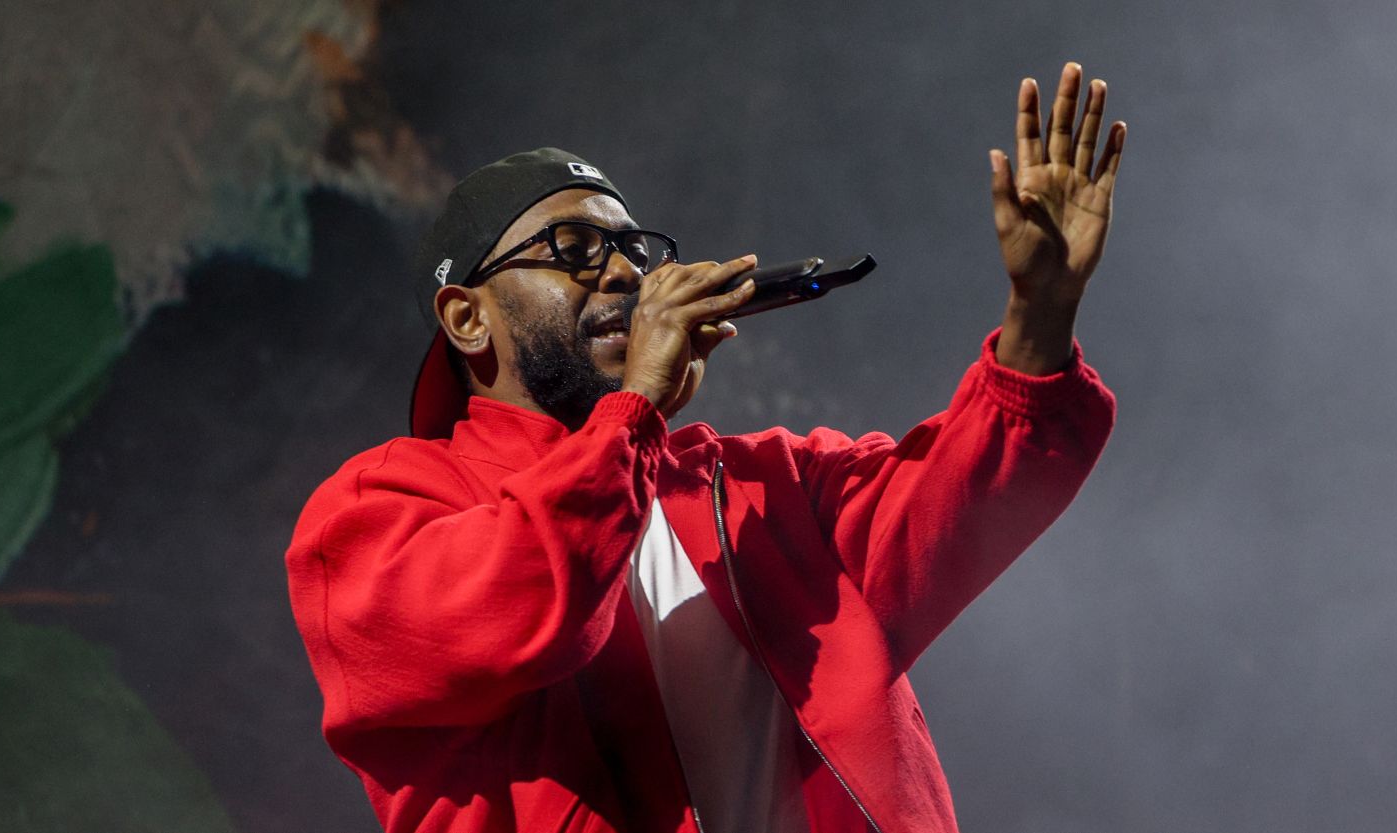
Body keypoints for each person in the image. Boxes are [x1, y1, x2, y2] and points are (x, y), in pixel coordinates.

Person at [286, 62, 1125, 833]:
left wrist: (1040, 313)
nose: (623, 276)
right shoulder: (373, 515)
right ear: (468, 318)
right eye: (574, 252)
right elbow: (527, 610)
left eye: (630, 251)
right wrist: (634, 411)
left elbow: (970, 496)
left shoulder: (763, 488)